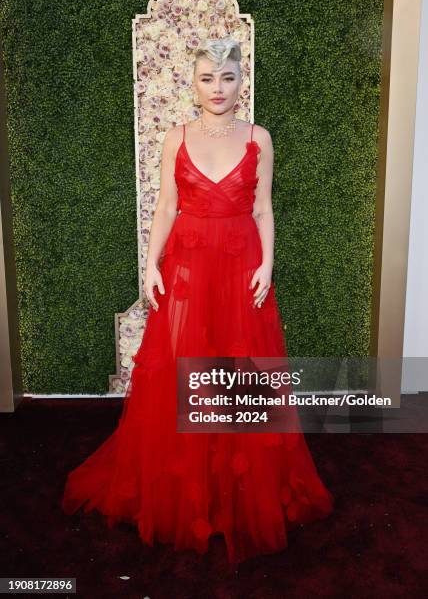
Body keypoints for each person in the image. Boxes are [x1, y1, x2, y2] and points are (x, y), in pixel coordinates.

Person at [61, 36, 334, 564]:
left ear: (240, 80)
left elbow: (263, 209)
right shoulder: (175, 137)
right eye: (207, 77)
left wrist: (266, 265)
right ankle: (188, 485)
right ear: (193, 82)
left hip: (239, 267)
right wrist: (150, 264)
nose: (218, 87)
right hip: (187, 266)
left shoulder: (259, 137)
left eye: (227, 77)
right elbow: (165, 205)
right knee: (184, 370)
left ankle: (236, 488)